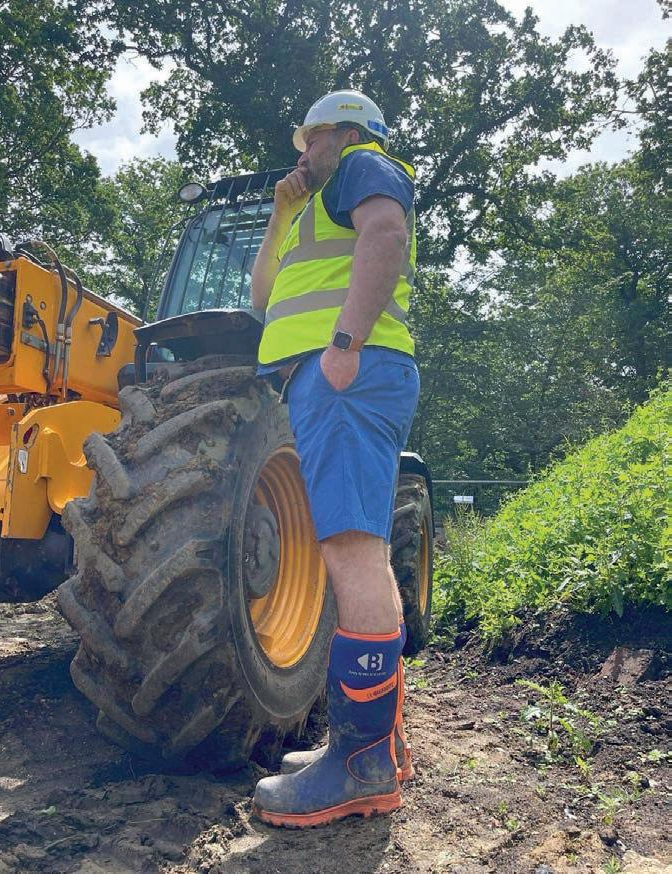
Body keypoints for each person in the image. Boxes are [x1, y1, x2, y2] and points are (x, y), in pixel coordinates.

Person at [250, 89, 420, 827]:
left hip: (346, 374)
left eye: (311, 138)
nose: (304, 151)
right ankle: (376, 747)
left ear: (345, 132)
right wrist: (281, 213)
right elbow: (264, 298)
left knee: (350, 554)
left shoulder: (362, 164)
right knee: (362, 553)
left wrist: (344, 345)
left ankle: (359, 765)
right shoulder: (313, 208)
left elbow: (387, 232)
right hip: (335, 379)